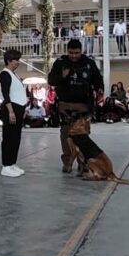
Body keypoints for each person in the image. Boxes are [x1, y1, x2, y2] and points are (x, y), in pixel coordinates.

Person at [47, 39, 104, 173]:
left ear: (81, 51)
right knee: (66, 134)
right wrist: (62, 76)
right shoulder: (60, 62)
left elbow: (97, 79)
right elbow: (51, 80)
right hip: (65, 106)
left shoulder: (88, 63)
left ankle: (83, 162)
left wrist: (100, 89)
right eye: (71, 53)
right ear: (67, 51)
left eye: (76, 53)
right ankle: (67, 161)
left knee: (83, 135)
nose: (74, 56)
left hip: (83, 106)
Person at [0, 49, 27, 177]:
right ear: (9, 60)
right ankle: (6, 165)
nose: (18, 62)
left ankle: (12, 163)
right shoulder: (5, 74)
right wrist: (11, 111)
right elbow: (6, 94)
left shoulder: (14, 74)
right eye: (16, 60)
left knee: (16, 138)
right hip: (11, 108)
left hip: (19, 109)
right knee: (8, 138)